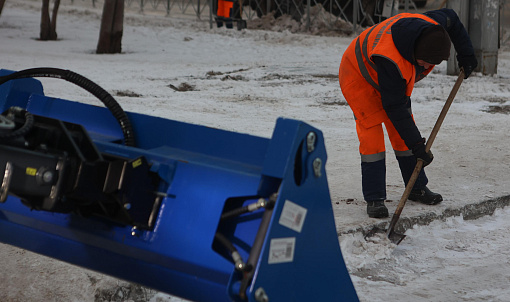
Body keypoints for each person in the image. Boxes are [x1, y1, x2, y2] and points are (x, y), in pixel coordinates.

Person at [338, 8, 478, 218]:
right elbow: (395, 108)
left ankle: (416, 187)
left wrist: (466, 54)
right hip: (358, 75)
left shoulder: (432, 26)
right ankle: (375, 198)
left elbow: (453, 18)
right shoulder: (391, 59)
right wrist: (418, 146)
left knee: (402, 133)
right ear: (415, 54)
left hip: (385, 77)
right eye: (425, 63)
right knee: (372, 136)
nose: (428, 67)